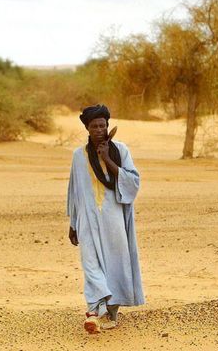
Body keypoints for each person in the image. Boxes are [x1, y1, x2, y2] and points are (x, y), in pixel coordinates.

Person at [66, 104, 144, 334]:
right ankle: (93, 312)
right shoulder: (78, 156)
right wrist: (73, 223)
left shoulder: (121, 150)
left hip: (113, 217)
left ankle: (111, 312)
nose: (99, 129)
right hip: (87, 219)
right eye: (94, 126)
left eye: (102, 125)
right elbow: (74, 190)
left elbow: (133, 182)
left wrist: (108, 159)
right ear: (87, 129)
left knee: (115, 263)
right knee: (90, 263)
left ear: (107, 126)